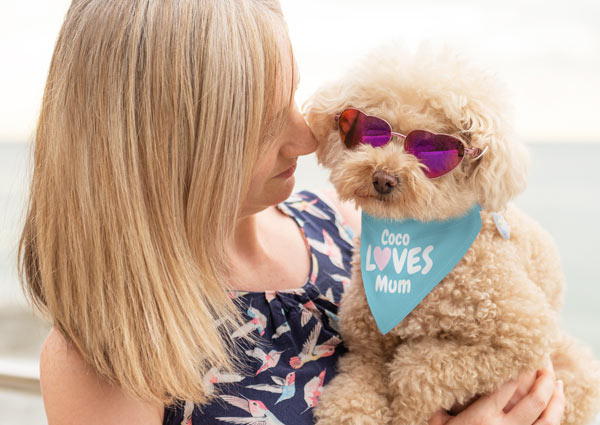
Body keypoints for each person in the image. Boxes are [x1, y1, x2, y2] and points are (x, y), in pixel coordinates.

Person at [18, 0, 565, 424]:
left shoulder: (348, 228)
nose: (305, 137)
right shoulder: (104, 356)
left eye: (293, 97)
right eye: (260, 121)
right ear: (167, 145)